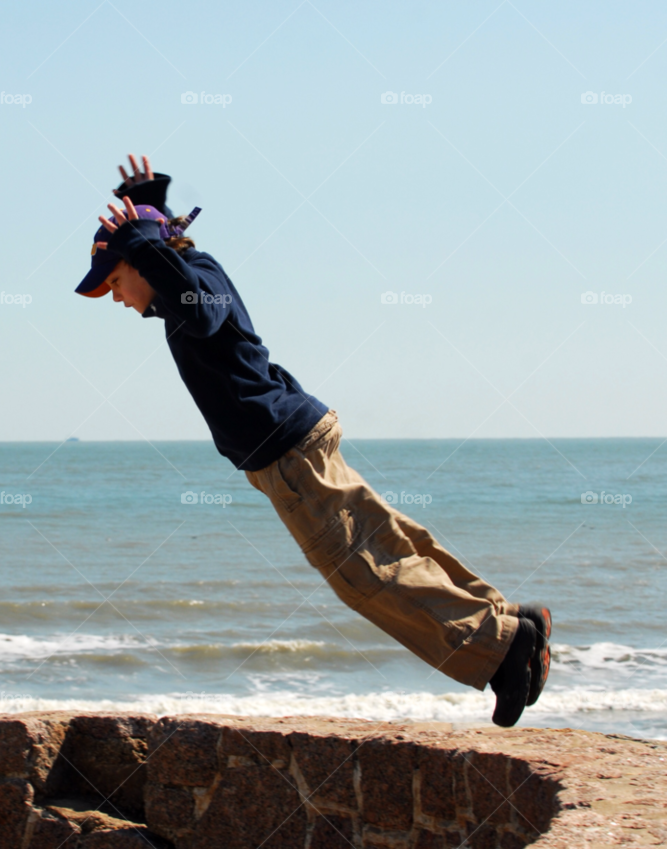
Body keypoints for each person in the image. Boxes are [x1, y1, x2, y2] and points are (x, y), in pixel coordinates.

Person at [75, 154, 552, 727]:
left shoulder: (194, 285)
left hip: (288, 453)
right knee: (387, 540)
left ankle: (502, 649)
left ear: (141, 262)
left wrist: (145, 236)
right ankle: (510, 621)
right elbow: (179, 280)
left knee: (364, 574)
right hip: (296, 437)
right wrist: (152, 210)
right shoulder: (195, 272)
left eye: (116, 282)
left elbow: (196, 309)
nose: (119, 300)